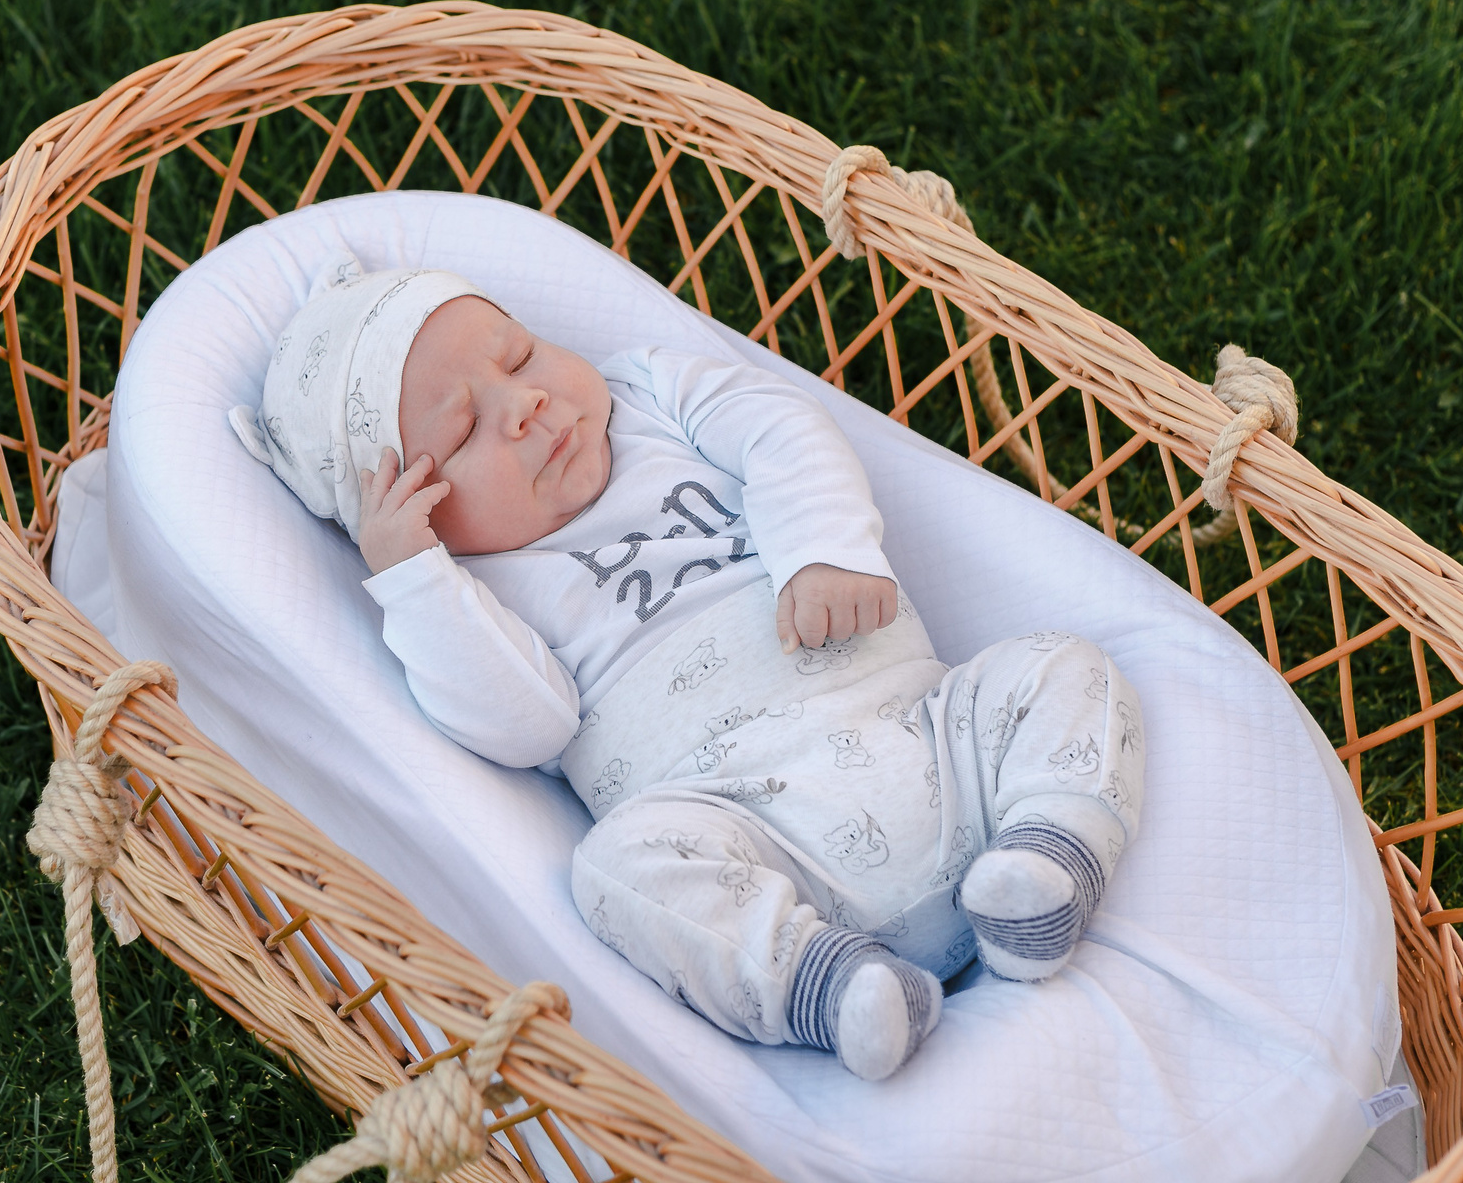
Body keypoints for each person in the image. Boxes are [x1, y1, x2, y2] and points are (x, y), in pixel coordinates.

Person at [229, 254, 1144, 1080]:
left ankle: (1045, 864)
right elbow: (524, 727)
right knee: (614, 868)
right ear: (414, 512)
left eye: (520, 356)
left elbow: (781, 430)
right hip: (747, 832)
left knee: (1060, 666)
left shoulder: (649, 392)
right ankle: (829, 986)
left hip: (924, 730)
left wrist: (820, 548)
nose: (525, 404)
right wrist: (416, 581)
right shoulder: (475, 590)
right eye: (467, 429)